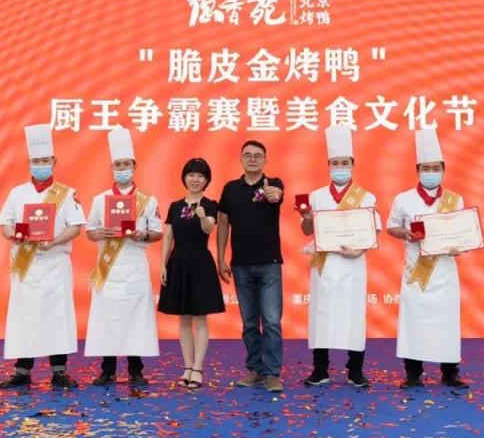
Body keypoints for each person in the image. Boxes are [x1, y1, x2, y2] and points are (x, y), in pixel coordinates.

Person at [0, 124, 85, 389]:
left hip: (55, 263)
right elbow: (5, 224)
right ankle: (22, 370)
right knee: (25, 317)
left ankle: (59, 371)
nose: (40, 166)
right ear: (29, 163)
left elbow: (76, 226)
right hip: (26, 265)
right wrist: (14, 236)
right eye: (36, 161)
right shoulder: (17, 193)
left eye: (45, 161)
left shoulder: (67, 193)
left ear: (54, 162)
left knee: (56, 317)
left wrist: (54, 241)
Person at [298, 125, 380, 388]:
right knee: (321, 315)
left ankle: (355, 370)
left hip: (352, 264)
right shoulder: (317, 196)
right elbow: (307, 230)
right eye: (335, 163)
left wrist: (359, 251)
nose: (340, 167)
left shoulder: (366, 197)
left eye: (345, 163)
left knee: (353, 316)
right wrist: (307, 218)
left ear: (353, 165)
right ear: (329, 166)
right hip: (324, 264)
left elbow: (373, 230)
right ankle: (320, 369)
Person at [386, 128, 468, 389]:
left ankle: (450, 373)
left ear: (443, 170)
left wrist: (459, 246)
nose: (431, 172)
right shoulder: (404, 199)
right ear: (418, 170)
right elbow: (391, 227)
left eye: (435, 168)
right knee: (414, 322)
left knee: (447, 323)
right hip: (416, 272)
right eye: (426, 168)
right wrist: (406, 233)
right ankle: (413, 374)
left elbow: (463, 233)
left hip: (444, 271)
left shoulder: (455, 200)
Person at [85, 127, 161, 386]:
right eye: (117, 165)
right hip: (108, 268)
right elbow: (90, 231)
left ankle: (135, 370)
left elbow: (157, 232)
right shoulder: (100, 200)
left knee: (135, 319)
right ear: (112, 168)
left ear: (134, 166)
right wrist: (99, 233)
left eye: (126, 164)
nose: (122, 169)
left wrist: (143, 235)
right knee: (107, 317)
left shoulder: (147, 201)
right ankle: (107, 369)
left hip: (134, 266)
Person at [217, 140, 286, 393]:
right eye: (248, 155)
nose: (253, 159)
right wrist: (220, 258)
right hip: (241, 265)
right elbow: (223, 223)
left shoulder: (273, 183)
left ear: (265, 160)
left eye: (258, 156)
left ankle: (272, 373)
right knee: (248, 323)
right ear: (241, 159)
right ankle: (255, 370)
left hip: (270, 264)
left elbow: (277, 195)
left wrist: (273, 194)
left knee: (271, 321)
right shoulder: (230, 189)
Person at [158, 157, 224, 388]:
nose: (195, 179)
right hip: (178, 262)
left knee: (200, 318)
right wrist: (162, 264)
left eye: (200, 176)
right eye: (191, 175)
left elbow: (208, 229)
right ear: (184, 178)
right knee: (183, 318)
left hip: (200, 263)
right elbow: (168, 236)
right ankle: (187, 367)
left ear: (206, 180)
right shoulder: (175, 206)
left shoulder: (211, 204)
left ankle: (198, 368)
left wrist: (203, 216)